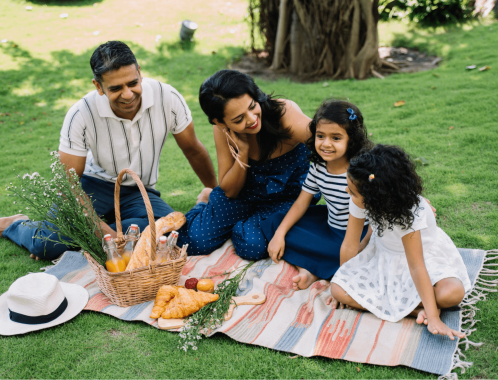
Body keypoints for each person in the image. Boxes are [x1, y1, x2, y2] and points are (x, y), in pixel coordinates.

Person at [0, 41, 217, 260]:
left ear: (140, 73)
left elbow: (193, 150)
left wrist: (216, 193)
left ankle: (82, 233)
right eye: (115, 88)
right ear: (98, 86)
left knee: (170, 232)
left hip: (138, 190)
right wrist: (111, 236)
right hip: (91, 187)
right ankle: (17, 224)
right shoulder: (80, 114)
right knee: (46, 245)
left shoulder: (168, 97)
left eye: (132, 83)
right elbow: (70, 188)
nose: (128, 94)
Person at [329, 144, 471, 340]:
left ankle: (424, 310)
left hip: (421, 260)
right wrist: (347, 278)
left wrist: (434, 318)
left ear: (375, 197)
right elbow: (350, 244)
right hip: (384, 256)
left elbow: (416, 265)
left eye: (352, 191)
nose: (347, 192)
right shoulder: (359, 197)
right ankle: (414, 311)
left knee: (452, 293)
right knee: (337, 289)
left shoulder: (409, 213)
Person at [177, 69, 318, 260]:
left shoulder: (284, 113)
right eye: (239, 119)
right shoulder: (222, 130)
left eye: (252, 106)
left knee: (251, 246)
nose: (251, 119)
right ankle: (205, 201)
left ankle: (243, 222)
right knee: (194, 242)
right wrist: (242, 154)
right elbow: (230, 191)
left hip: (287, 196)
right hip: (244, 194)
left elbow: (328, 146)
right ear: (220, 122)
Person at [262, 100, 372, 291]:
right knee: (276, 223)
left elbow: (385, 205)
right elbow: (301, 203)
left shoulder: (362, 171)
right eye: (320, 136)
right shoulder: (318, 166)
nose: (326, 144)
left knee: (354, 256)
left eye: (336, 138)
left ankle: (312, 271)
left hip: (359, 236)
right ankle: (311, 269)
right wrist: (279, 234)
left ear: (351, 140)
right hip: (329, 226)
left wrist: (363, 245)